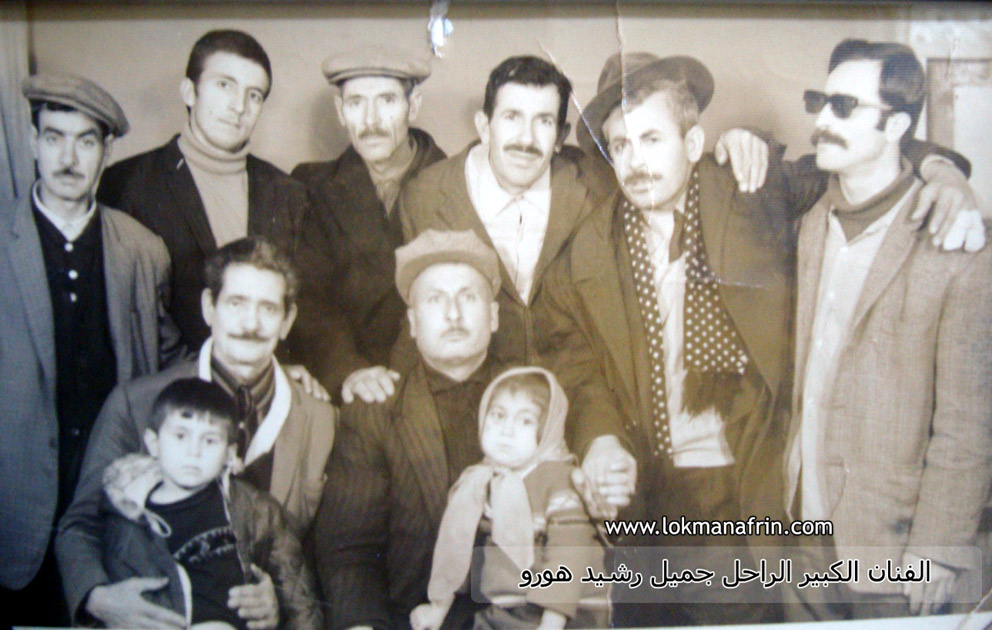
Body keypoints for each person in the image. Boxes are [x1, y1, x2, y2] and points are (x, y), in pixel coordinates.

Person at [536, 51, 980, 627]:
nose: (635, 162)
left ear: (694, 143)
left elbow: (866, 155)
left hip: (744, 493)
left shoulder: (751, 188)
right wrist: (599, 439)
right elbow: (576, 360)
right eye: (620, 145)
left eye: (651, 139)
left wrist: (944, 173)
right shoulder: (591, 248)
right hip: (646, 499)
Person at [783, 39, 992, 620]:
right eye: (820, 101)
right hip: (803, 533)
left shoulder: (957, 244)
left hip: (896, 545)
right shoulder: (812, 221)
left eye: (844, 107)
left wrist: (939, 549)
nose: (822, 121)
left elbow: (968, 424)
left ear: (898, 124)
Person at [57, 236, 334, 629]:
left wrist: (280, 603)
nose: (251, 324)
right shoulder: (136, 403)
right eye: (236, 303)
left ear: (287, 321)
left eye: (268, 308)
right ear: (209, 307)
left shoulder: (320, 418)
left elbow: (324, 555)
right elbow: (80, 525)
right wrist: (98, 598)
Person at [0, 74, 182, 627]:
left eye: (85, 141)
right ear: (32, 141)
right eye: (54, 138)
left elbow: (170, 363)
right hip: (12, 524)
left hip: (110, 516)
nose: (67, 158)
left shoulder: (142, 249)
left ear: (107, 152)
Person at [97, 30, 309, 352]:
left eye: (254, 95)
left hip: (265, 373)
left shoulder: (288, 193)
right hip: (172, 377)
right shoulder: (126, 183)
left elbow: (301, 309)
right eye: (224, 85)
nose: (238, 106)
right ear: (189, 92)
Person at [99, 378, 320, 630]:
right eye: (181, 436)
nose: (194, 451)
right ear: (153, 443)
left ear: (229, 454)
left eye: (210, 441)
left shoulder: (254, 509)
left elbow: (299, 596)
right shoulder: (128, 517)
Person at [290, 47, 446, 404]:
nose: (371, 120)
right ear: (339, 111)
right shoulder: (311, 188)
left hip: (433, 386)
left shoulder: (455, 182)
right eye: (356, 103)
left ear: (413, 106)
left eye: (387, 101)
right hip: (347, 386)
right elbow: (309, 300)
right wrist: (349, 370)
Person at [411, 367, 607, 630]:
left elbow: (570, 555)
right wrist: (438, 609)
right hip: (510, 610)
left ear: (548, 430)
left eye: (525, 421)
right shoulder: (479, 481)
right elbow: (458, 548)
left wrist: (552, 623)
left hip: (569, 611)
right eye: (498, 415)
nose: (506, 430)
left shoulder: (558, 480)